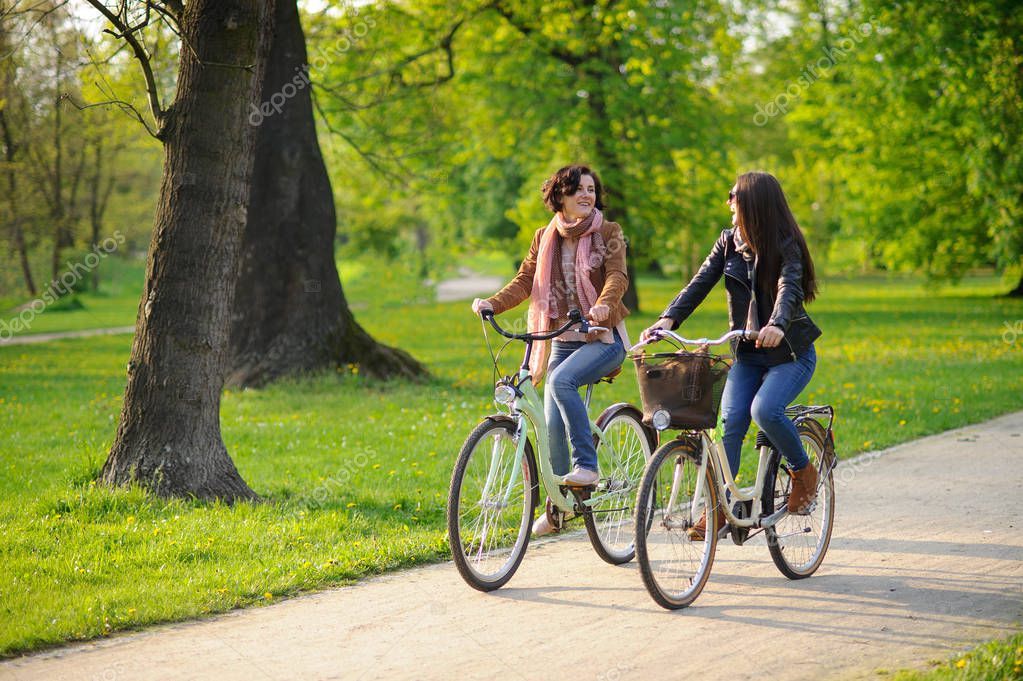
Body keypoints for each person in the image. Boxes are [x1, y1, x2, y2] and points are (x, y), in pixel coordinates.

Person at [641, 170, 822, 541]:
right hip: (749, 356)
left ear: (753, 203)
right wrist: (667, 318)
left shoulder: (785, 243)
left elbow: (789, 286)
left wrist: (777, 324)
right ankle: (721, 507)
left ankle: (803, 471)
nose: (728, 202)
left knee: (765, 411)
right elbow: (699, 283)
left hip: (790, 353)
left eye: (733, 195)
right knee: (730, 421)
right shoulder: (727, 243)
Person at [472, 164, 631, 535]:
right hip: (560, 338)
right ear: (560, 195)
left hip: (604, 338)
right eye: (579, 189)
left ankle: (587, 467)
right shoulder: (545, 237)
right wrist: (493, 303)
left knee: (561, 382)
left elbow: (617, 277)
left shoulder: (609, 232)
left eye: (592, 189)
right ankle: (561, 505)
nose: (587, 196)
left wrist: (605, 305)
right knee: (550, 427)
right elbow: (526, 279)